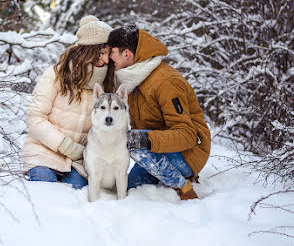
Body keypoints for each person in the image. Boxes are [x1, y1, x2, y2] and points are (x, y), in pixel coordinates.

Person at [107, 25, 211, 200]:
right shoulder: (135, 78)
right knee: (127, 191)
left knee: (128, 140)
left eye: (112, 52)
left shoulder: (165, 81)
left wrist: (144, 140)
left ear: (127, 54)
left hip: (189, 154)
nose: (109, 57)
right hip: (156, 150)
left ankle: (184, 187)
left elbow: (188, 135)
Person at [21, 15, 114, 189]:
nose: (106, 60)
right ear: (89, 51)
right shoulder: (56, 74)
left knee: (76, 193)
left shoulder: (106, 84)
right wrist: (65, 145)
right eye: (102, 53)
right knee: (46, 188)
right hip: (43, 151)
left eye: (108, 54)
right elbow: (34, 118)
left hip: (77, 161)